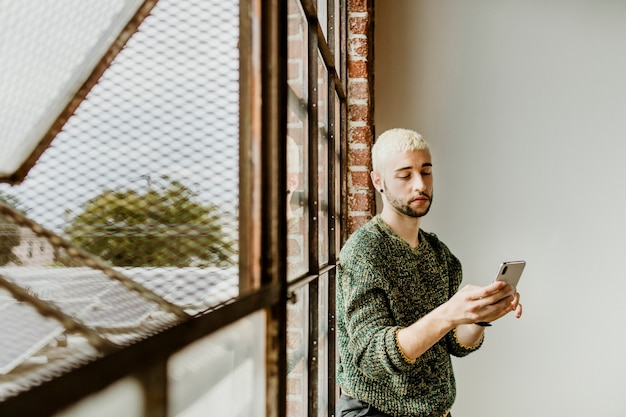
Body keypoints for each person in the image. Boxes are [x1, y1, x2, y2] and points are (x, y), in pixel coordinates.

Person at [335, 128, 522, 417]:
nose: (420, 185)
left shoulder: (438, 253)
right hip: (375, 412)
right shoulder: (363, 253)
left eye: (426, 171)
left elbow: (455, 344)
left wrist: (479, 317)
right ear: (378, 181)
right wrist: (448, 313)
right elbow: (370, 357)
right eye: (405, 175)